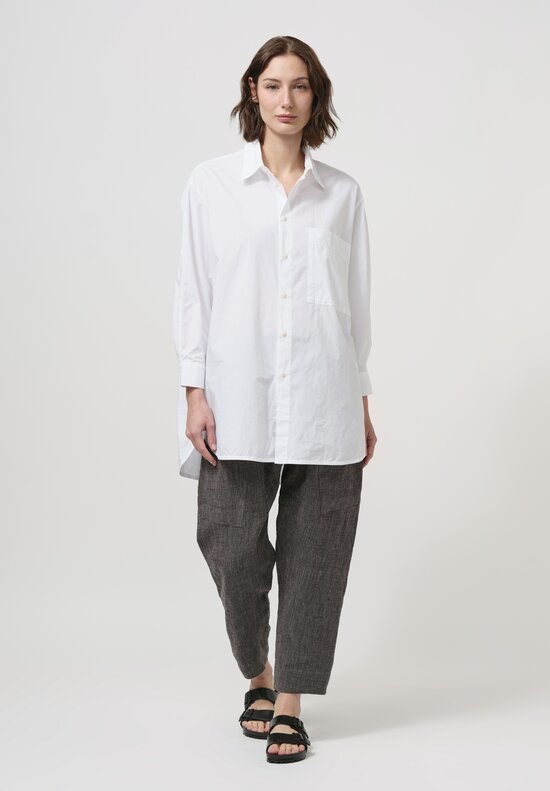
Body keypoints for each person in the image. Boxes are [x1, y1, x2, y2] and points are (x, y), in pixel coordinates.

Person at [173, 35, 377, 764]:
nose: (286, 99)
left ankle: (288, 700)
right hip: (238, 394)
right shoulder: (211, 185)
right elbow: (194, 291)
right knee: (229, 543)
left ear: (316, 98)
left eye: (300, 86)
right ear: (252, 93)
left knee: (317, 554)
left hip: (325, 394)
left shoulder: (342, 193)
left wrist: (360, 399)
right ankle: (257, 672)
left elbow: (354, 308)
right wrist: (193, 390)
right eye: (273, 85)